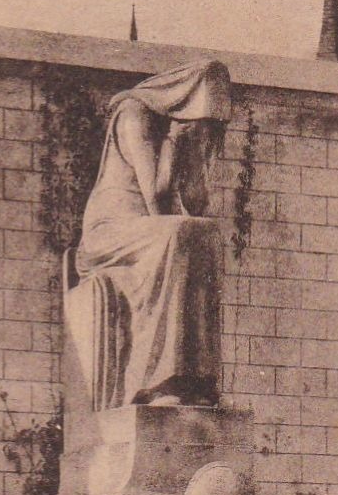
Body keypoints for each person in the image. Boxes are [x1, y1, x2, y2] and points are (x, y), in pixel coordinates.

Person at [77, 60, 232, 408]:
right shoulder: (135, 114)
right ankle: (160, 379)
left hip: (150, 228)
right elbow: (157, 199)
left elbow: (196, 205)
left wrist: (195, 155)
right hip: (110, 230)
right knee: (177, 233)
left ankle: (198, 378)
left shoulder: (183, 131)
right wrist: (174, 143)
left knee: (205, 234)